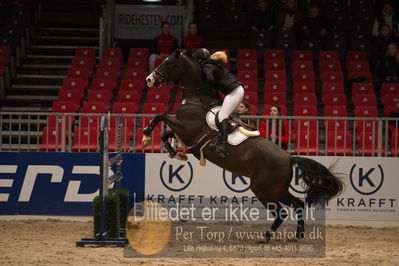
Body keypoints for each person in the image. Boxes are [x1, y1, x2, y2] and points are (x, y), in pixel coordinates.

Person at [194, 48, 244, 157]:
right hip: (237, 89)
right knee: (227, 114)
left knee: (222, 116)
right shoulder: (213, 64)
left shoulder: (206, 66)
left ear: (199, 60)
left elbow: (210, 80)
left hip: (234, 91)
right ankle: (228, 137)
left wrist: (207, 90)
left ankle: (224, 145)